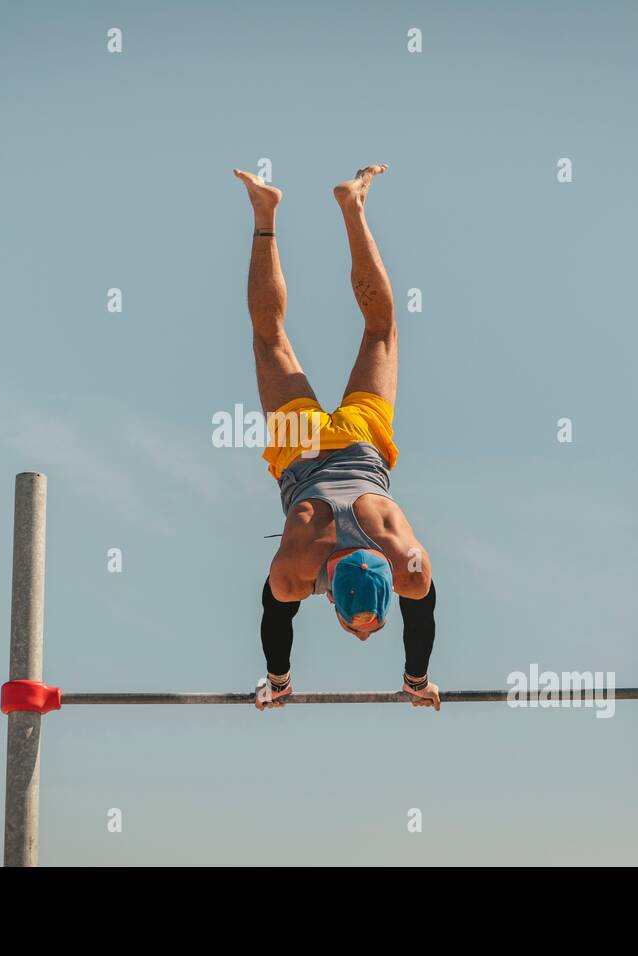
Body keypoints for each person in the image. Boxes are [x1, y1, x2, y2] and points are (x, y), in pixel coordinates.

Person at [233, 164, 440, 712]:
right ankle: (266, 213)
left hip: (360, 442)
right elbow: (273, 628)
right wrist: (276, 683)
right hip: (299, 448)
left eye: (361, 628)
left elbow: (422, 621)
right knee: (270, 337)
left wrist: (418, 679)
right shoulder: (295, 569)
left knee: (381, 329)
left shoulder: (408, 562)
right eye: (369, 627)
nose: (366, 635)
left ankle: (351, 207)